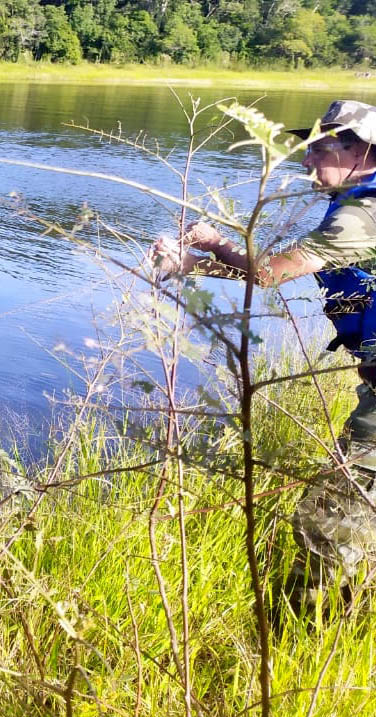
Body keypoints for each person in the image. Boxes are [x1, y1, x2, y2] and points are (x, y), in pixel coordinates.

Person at [152, 100, 376, 608]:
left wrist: (211, 247)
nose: (305, 162)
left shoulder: (364, 213)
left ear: (361, 150)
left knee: (328, 518)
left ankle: (306, 630)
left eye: (318, 149)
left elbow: (271, 273)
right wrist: (201, 261)